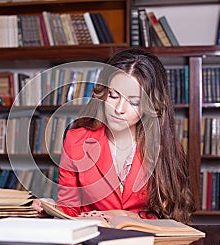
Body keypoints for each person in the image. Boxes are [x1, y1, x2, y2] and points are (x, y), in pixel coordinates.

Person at [32, 48, 195, 223]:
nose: (118, 109)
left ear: (151, 105)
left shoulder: (167, 148)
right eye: (113, 95)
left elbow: (173, 214)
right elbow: (70, 208)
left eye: (133, 102)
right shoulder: (76, 140)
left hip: (147, 244)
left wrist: (131, 216)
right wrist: (52, 208)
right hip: (95, 240)